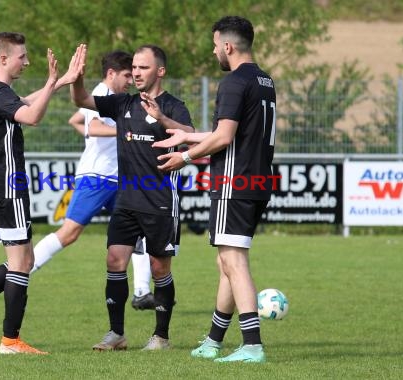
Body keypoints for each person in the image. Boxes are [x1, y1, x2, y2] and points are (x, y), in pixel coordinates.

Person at [145, 16, 276, 363]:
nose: (214, 50)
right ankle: (214, 340)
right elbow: (234, 132)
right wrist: (188, 134)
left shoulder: (234, 81)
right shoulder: (264, 79)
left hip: (235, 180)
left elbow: (224, 137)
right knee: (227, 262)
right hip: (257, 178)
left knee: (233, 260)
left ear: (228, 46)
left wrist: (184, 157)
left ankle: (251, 345)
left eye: (216, 44)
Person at [0, 32, 84, 354]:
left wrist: (60, 81)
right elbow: (32, 116)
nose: (27, 61)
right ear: (4, 58)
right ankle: (10, 341)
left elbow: (22, 104)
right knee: (21, 264)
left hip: (0, 183)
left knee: (24, 259)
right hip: (7, 185)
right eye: (22, 56)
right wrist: (51, 82)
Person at [70, 44, 194, 350]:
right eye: (134, 68)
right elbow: (81, 100)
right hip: (126, 199)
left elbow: (190, 133)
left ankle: (161, 337)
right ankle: (116, 334)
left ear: (160, 71)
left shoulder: (174, 106)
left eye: (143, 67)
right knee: (114, 260)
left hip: (159, 200)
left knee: (159, 268)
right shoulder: (122, 103)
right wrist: (77, 78)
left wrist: (163, 119)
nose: (136, 73)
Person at [34, 50, 156, 310]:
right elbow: (94, 127)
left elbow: (77, 119)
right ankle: (22, 270)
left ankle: (142, 293)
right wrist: (127, 132)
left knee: (140, 234)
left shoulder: (114, 98)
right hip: (97, 177)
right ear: (111, 74)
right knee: (69, 233)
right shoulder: (101, 93)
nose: (130, 81)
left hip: (117, 179)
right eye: (126, 75)